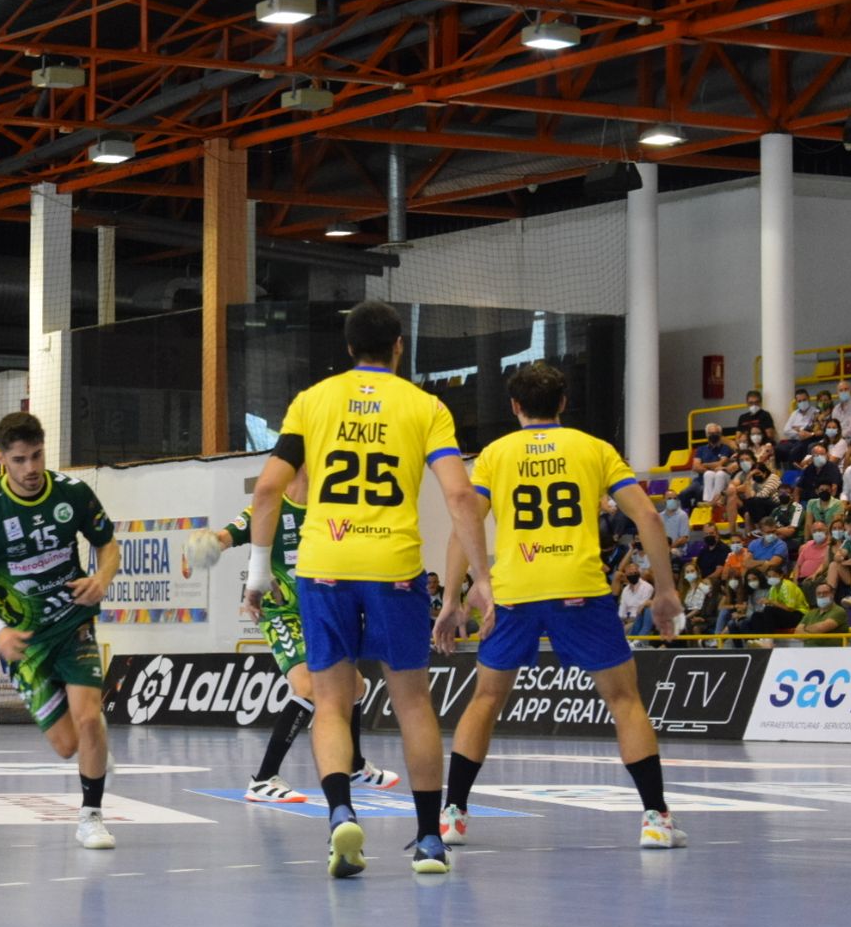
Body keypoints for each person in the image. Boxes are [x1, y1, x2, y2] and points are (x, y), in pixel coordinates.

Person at [246, 301, 492, 878]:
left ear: (349, 347)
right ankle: (429, 840)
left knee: (331, 702)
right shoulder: (426, 406)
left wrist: (258, 573)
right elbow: (460, 496)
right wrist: (479, 580)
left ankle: (340, 815)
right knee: (413, 703)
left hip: (324, 565)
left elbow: (267, 490)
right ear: (399, 346)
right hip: (394, 568)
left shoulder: (312, 401)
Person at [438, 361, 685, 851]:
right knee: (625, 701)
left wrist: (451, 597)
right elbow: (650, 518)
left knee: (485, 700)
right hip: (580, 589)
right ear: (563, 403)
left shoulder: (495, 454)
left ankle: (453, 815)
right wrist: (665, 590)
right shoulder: (594, 448)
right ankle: (656, 820)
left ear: (515, 406)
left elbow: (465, 525)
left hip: (515, 592)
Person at [0, 412, 121, 850]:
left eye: (37, 456)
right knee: (67, 745)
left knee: (89, 719)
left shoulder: (72, 493)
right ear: (1, 460)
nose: (31, 468)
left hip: (71, 623)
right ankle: (93, 745)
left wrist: (101, 579)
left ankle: (91, 818)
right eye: (20, 459)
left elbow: (107, 544)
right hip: (23, 642)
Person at [188, 470, 400, 803]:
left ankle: (355, 765)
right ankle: (263, 779)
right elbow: (226, 536)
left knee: (356, 687)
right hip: (280, 612)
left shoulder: (328, 507)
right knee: (307, 687)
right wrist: (206, 542)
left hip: (317, 611)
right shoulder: (270, 507)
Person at [679, 424, 733, 509]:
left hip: (717, 479)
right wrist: (711, 469)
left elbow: (720, 463)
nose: (713, 435)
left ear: (720, 434)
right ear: (706, 435)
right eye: (711, 433)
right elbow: (695, 467)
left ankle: (705, 509)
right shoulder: (701, 449)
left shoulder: (725, 448)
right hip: (700, 480)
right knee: (683, 494)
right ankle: (689, 514)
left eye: (716, 433)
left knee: (701, 492)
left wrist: (704, 465)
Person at [776, 389, 818, 466]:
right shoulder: (794, 414)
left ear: (808, 399)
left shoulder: (815, 412)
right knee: (779, 448)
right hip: (794, 440)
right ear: (796, 402)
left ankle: (795, 470)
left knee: (795, 451)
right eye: (799, 401)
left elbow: (811, 430)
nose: (802, 403)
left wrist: (798, 429)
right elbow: (786, 430)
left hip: (808, 441)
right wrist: (800, 432)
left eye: (804, 400)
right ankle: (780, 470)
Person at [618, 562, 656, 638]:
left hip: (638, 619)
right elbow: (622, 608)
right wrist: (621, 621)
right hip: (626, 620)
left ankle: (634, 642)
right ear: (626, 575)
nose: (632, 575)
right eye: (630, 573)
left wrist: (629, 620)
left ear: (639, 573)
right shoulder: (625, 590)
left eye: (635, 572)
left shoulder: (647, 587)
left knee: (621, 632)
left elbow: (642, 609)